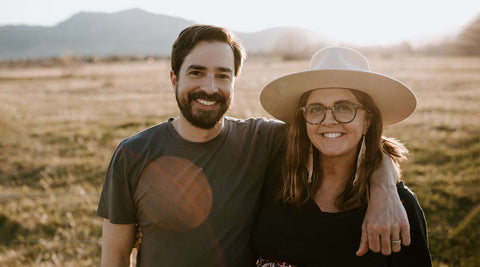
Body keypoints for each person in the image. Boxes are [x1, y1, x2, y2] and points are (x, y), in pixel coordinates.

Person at [96, 25, 410, 266]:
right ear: (174, 78)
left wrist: (384, 187)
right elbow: (116, 256)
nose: (210, 87)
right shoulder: (133, 153)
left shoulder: (259, 140)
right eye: (196, 72)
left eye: (223, 75)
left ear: (234, 82)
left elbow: (346, 136)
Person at [252, 46, 432, 266]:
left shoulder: (396, 208)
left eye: (345, 108)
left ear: (367, 121)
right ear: (304, 119)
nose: (329, 120)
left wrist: (382, 187)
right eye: (316, 109)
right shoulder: (274, 175)